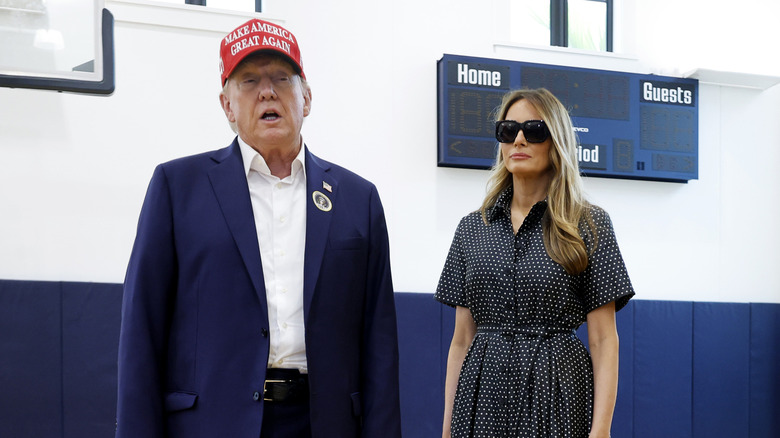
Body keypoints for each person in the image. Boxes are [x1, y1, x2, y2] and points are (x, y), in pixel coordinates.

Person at [116, 18, 401, 438]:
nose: (267, 91)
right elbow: (142, 331)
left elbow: (379, 348)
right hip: (211, 423)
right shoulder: (177, 188)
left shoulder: (359, 199)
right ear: (226, 105)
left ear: (306, 98)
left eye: (281, 78)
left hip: (325, 423)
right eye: (248, 80)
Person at [436, 88, 635, 438]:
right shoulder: (471, 228)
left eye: (534, 129)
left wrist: (601, 431)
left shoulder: (589, 225)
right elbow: (461, 340)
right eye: (508, 130)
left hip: (557, 395)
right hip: (482, 398)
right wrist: (448, 429)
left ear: (555, 140)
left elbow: (604, 340)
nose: (520, 139)